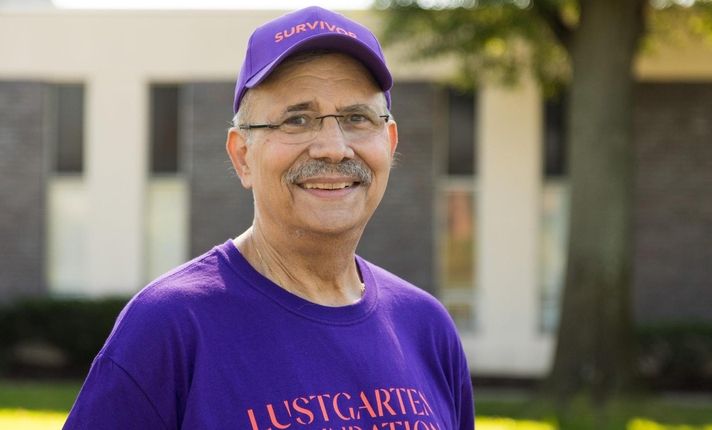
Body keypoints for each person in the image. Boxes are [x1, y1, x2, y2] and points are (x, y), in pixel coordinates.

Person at [64, 6, 474, 430]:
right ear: (242, 155)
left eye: (357, 118)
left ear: (388, 142)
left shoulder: (427, 329)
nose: (333, 148)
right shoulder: (170, 327)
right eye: (297, 119)